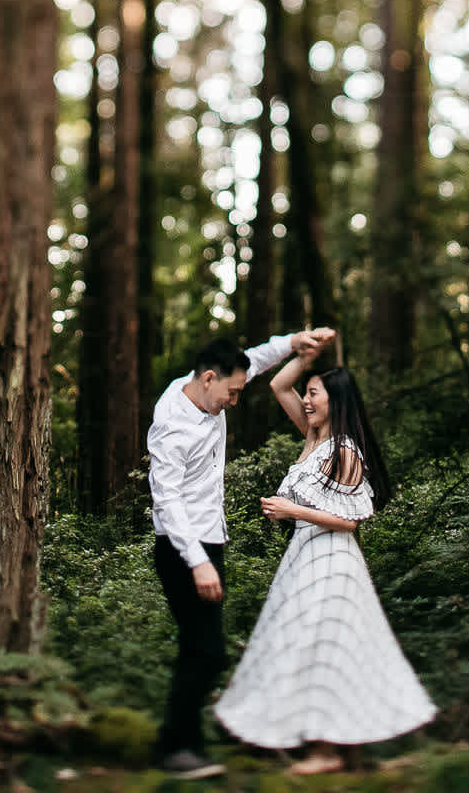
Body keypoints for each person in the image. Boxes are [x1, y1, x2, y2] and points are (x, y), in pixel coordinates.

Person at [212, 355, 436, 775]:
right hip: (305, 556)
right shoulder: (313, 438)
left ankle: (326, 750)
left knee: (324, 648)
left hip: (332, 559)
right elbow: (280, 385)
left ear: (336, 400)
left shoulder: (345, 450)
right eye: (309, 393)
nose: (308, 400)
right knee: (311, 646)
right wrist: (305, 351)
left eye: (315, 393)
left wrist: (290, 510)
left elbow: (350, 520)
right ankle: (338, 748)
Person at [146, 326, 335, 780]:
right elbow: (166, 501)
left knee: (202, 648)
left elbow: (254, 358)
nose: (235, 401)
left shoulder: (206, 383)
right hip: (181, 547)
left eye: (239, 390)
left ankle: (182, 743)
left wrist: (295, 342)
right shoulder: (172, 425)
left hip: (210, 540)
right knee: (206, 650)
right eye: (231, 393)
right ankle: (176, 747)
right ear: (208, 379)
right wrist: (198, 563)